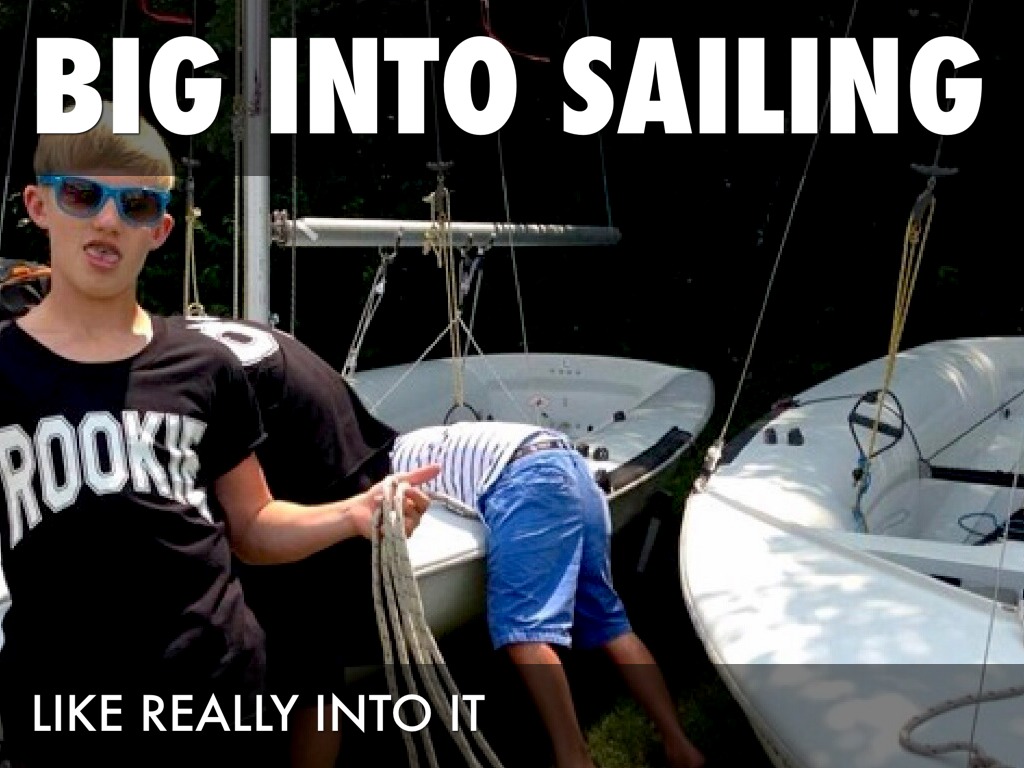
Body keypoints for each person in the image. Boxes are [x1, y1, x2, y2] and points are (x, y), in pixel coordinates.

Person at [0, 102, 438, 767]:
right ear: (39, 205)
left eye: (136, 205)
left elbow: (252, 525)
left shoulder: (206, 366)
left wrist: (352, 514)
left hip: (216, 689)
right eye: (83, 195)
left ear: (160, 230)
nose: (109, 220)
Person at [390, 421, 706, 768]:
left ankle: (573, 759)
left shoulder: (392, 466)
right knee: (610, 622)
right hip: (572, 468)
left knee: (523, 631)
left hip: (528, 478)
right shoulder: (428, 439)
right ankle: (680, 747)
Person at [166, 313, 398, 768]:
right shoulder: (155, 337)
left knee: (309, 656)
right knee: (306, 653)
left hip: (313, 463)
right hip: (331, 438)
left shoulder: (144, 369)